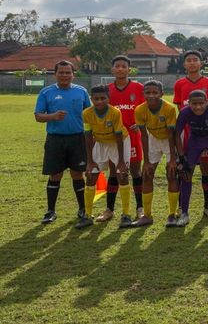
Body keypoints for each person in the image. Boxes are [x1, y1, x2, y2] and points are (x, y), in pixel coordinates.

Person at [34, 60, 91, 224]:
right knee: (55, 175)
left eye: (68, 72)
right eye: (61, 72)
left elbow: (89, 113)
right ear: (55, 74)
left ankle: (83, 209)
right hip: (55, 139)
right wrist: (52, 116)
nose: (65, 75)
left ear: (73, 74)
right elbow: (38, 116)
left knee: (77, 174)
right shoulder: (46, 92)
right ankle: (51, 211)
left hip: (77, 138)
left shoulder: (81, 92)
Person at [76, 85, 130, 229]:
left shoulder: (115, 112)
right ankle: (87, 216)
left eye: (103, 98)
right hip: (100, 142)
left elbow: (118, 135)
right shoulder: (87, 113)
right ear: (91, 99)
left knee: (122, 175)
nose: (99, 101)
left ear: (108, 98)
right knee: (91, 175)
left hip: (119, 142)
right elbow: (88, 136)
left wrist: (120, 162)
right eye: (96, 99)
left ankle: (126, 215)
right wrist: (90, 161)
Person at [173, 50, 208, 219]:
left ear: (201, 63)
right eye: (189, 60)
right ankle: (181, 207)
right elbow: (181, 109)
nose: (192, 63)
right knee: (185, 169)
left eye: (195, 60)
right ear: (184, 64)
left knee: (206, 168)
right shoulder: (179, 84)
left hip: (206, 134)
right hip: (187, 135)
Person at [102, 55, 145, 227]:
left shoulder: (139, 88)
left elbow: (145, 111)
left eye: (123, 66)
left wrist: (140, 124)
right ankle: (109, 209)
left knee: (135, 171)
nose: (120, 69)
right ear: (112, 69)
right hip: (115, 137)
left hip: (133, 137)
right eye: (117, 66)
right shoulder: (107, 89)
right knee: (114, 172)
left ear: (129, 69)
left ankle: (140, 208)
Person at [175, 90, 208, 227]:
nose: (198, 107)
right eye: (194, 104)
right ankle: (185, 213)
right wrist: (181, 157)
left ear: (207, 102)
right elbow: (176, 134)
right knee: (185, 174)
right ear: (189, 103)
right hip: (195, 140)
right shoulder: (185, 112)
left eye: (201, 103)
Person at [132, 80, 179, 227]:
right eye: (148, 93)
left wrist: (172, 159)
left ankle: (172, 214)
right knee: (147, 175)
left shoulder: (169, 108)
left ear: (161, 94)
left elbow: (171, 134)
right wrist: (146, 161)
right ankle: (147, 215)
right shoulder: (139, 110)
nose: (151, 95)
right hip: (153, 139)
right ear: (143, 94)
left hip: (170, 140)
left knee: (171, 174)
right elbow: (144, 136)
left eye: (155, 92)